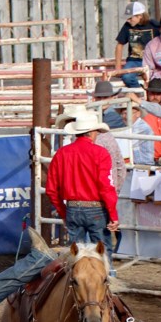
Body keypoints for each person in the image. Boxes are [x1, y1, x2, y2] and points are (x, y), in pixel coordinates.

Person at [46, 110, 120, 263]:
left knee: (75, 253)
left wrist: (63, 212)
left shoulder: (61, 153)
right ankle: (107, 280)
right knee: (102, 252)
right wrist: (113, 215)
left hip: (73, 208)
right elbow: (106, 186)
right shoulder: (100, 153)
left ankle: (73, 281)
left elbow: (51, 190)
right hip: (96, 209)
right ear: (91, 133)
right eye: (97, 132)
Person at [114, 2, 160, 88]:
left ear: (140, 16)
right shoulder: (127, 26)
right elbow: (119, 45)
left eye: (130, 18)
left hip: (152, 61)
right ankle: (140, 92)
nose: (128, 20)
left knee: (157, 79)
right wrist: (118, 66)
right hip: (134, 61)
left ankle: (151, 94)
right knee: (126, 76)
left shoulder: (154, 25)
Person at [136, 78, 161, 164]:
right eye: (152, 93)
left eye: (158, 94)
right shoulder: (140, 112)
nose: (155, 97)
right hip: (149, 160)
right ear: (147, 93)